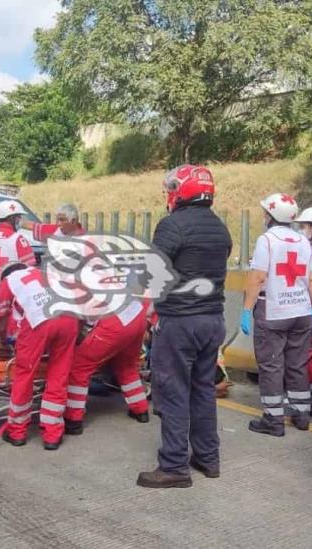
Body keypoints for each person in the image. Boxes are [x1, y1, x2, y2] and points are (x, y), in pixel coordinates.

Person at [137, 165, 232, 489]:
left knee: (173, 390)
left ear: (181, 191)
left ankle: (174, 465)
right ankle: (208, 457)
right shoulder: (221, 229)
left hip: (179, 322)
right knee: (203, 390)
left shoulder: (172, 226)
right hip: (212, 321)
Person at [240, 193, 312, 436]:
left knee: (272, 365)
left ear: (270, 216)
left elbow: (258, 277)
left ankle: (273, 420)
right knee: (297, 363)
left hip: (274, 311)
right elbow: (311, 279)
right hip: (301, 311)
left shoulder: (267, 240)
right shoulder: (304, 240)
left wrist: (246, 309)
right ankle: (301, 413)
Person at [0, 262, 79, 450]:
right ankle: (52, 434)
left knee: (25, 374)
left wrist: (4, 340)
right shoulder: (45, 272)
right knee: (59, 373)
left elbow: (2, 321)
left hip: (39, 321)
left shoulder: (8, 281)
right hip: (68, 317)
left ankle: (17, 431)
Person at [63, 301, 150, 434]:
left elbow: (77, 316)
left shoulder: (75, 282)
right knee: (127, 365)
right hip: (136, 315)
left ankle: (73, 420)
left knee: (79, 368)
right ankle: (140, 410)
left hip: (114, 322)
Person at [0, 199, 36, 347]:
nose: (19, 221)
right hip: (9, 301)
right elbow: (29, 272)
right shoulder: (19, 240)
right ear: (11, 218)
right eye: (18, 217)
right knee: (9, 345)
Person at [20, 203, 85, 240]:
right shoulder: (56, 230)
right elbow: (30, 225)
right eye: (57, 220)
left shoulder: (85, 239)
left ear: (73, 221)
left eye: (62, 220)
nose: (58, 224)